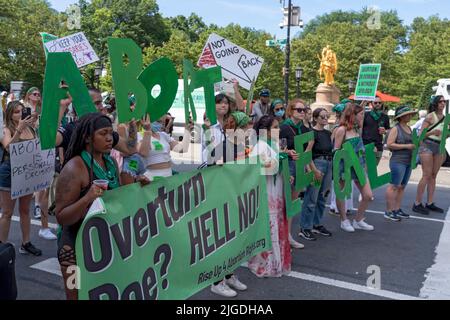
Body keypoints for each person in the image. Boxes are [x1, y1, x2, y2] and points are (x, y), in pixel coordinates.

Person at [55, 113, 149, 300]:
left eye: (110, 133)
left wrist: (136, 184)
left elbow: (117, 196)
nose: (109, 138)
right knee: (77, 296)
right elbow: (61, 217)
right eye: (103, 134)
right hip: (73, 246)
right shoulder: (74, 168)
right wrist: (86, 198)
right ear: (88, 137)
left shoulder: (110, 162)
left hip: (103, 243)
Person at [209, 111, 249, 297]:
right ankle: (217, 281)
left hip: (237, 199)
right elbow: (206, 172)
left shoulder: (242, 147)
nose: (249, 130)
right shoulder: (222, 148)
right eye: (245, 127)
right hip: (222, 201)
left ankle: (230, 274)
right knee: (222, 242)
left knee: (235, 240)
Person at [248, 115, 291, 277]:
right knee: (269, 224)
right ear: (265, 131)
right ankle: (264, 263)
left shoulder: (274, 145)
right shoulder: (259, 146)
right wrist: (275, 162)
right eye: (275, 127)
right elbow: (255, 168)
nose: (278, 130)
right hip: (267, 190)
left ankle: (276, 261)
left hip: (277, 189)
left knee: (277, 222)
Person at [0, 101, 42, 255]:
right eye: (16, 112)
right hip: (9, 172)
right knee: (7, 212)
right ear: (10, 114)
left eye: (22, 111)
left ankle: (26, 242)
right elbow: (9, 148)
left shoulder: (31, 128)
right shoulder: (6, 129)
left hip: (26, 172)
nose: (20, 114)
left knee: (25, 210)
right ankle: (2, 245)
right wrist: (19, 130)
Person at [334, 102, 374, 232]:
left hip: (359, 166)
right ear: (353, 115)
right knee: (342, 194)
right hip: (344, 166)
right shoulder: (341, 130)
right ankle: (344, 220)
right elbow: (335, 150)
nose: (363, 116)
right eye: (361, 114)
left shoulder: (358, 129)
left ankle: (358, 220)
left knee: (368, 195)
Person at [299, 108, 333, 241]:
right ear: (316, 118)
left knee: (322, 197)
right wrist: (313, 170)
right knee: (311, 197)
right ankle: (305, 227)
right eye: (322, 117)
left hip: (328, 164)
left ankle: (316, 224)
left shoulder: (327, 133)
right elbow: (307, 153)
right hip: (317, 164)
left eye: (326, 116)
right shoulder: (311, 133)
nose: (325, 119)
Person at [280, 99, 309, 249]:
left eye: (304, 110)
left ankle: (288, 235)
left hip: (299, 166)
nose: (302, 112)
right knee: (283, 201)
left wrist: (308, 168)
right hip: (287, 166)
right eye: (299, 110)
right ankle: (280, 236)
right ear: (291, 111)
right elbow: (274, 148)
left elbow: (306, 151)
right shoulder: (283, 128)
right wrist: (288, 152)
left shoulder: (304, 129)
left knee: (292, 202)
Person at [413, 95, 448, 215]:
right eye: (440, 101)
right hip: (427, 145)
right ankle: (417, 203)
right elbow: (421, 135)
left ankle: (430, 203)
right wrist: (433, 132)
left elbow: (445, 135)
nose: (443, 103)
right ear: (435, 103)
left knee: (433, 175)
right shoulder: (430, 116)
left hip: (439, 146)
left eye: (444, 101)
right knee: (426, 175)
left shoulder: (446, 118)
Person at [385, 106, 417, 221]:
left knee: (402, 186)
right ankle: (388, 211)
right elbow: (389, 144)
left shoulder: (409, 128)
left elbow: (416, 142)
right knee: (394, 185)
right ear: (402, 116)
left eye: (410, 114)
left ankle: (397, 209)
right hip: (398, 160)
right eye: (408, 114)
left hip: (408, 160)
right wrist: (407, 146)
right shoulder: (396, 129)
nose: (410, 116)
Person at [138, 114, 192, 181]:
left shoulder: (164, 135)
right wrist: (147, 131)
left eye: (163, 122)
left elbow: (182, 149)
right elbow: (143, 153)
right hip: (151, 179)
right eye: (159, 122)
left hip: (168, 176)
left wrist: (187, 130)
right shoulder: (139, 136)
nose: (162, 125)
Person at [329, 101, 354, 216]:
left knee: (347, 184)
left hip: (349, 161)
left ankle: (346, 206)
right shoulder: (338, 128)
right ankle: (335, 206)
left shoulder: (350, 128)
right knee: (339, 184)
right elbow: (334, 147)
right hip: (341, 160)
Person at [362, 96, 390, 165]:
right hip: (367, 145)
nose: (378, 104)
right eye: (375, 102)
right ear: (371, 103)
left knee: (373, 170)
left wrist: (385, 131)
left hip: (378, 145)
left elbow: (388, 130)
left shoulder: (385, 117)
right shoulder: (365, 115)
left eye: (379, 103)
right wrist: (363, 103)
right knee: (366, 170)